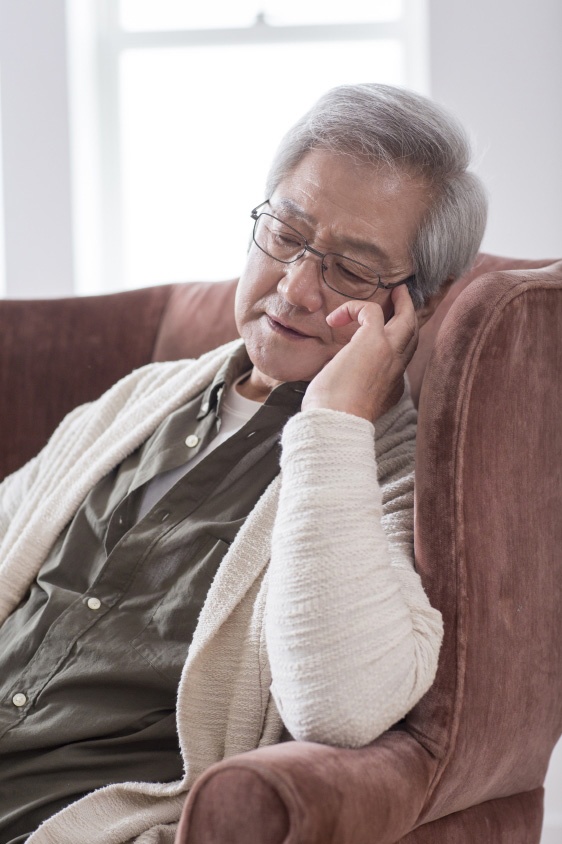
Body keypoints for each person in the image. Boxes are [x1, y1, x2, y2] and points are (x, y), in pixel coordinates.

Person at [0, 83, 487, 843]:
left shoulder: (395, 482)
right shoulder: (140, 399)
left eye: (351, 271)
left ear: (417, 307)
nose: (294, 288)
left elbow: (341, 704)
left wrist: (333, 420)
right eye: (286, 234)